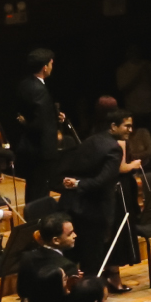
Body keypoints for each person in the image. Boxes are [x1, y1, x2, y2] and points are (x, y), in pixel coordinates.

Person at [59, 100, 125, 281]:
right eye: (127, 126)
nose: (130, 130)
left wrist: (75, 184)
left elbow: (72, 167)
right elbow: (103, 181)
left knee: (72, 257)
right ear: (113, 126)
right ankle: (89, 299)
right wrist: (79, 184)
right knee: (91, 263)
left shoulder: (91, 140)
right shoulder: (113, 148)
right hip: (95, 213)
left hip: (75, 207)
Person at [12, 49, 62, 203]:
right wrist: (28, 124)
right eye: (51, 64)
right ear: (44, 67)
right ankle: (37, 223)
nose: (52, 67)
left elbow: (32, 112)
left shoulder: (24, 84)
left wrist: (54, 115)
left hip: (29, 147)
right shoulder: (39, 89)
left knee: (34, 188)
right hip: (41, 149)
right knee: (39, 191)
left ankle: (34, 222)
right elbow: (40, 122)